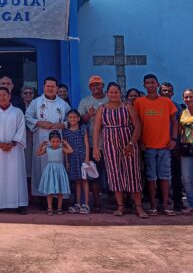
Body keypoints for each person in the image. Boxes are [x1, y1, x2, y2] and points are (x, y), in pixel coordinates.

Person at [93, 82, 148, 218]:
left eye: (116, 92)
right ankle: (120, 206)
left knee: (133, 173)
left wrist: (131, 143)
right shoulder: (102, 109)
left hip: (128, 144)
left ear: (120, 93)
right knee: (115, 174)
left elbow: (137, 126)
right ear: (107, 94)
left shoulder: (127, 107)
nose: (113, 94)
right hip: (110, 145)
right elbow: (96, 129)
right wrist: (95, 147)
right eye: (111, 92)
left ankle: (139, 207)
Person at [134, 74, 179, 216]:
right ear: (144, 85)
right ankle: (153, 206)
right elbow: (136, 123)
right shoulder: (139, 102)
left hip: (165, 146)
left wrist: (174, 139)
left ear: (157, 84)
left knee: (165, 176)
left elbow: (174, 122)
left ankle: (165, 205)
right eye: (147, 83)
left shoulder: (166, 102)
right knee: (151, 177)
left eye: (153, 82)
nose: (150, 85)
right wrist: (140, 141)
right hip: (147, 146)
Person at [25, 77, 70, 205]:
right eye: (48, 86)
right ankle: (43, 200)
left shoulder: (63, 104)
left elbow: (72, 119)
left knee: (57, 169)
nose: (50, 88)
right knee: (41, 169)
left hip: (58, 144)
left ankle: (59, 200)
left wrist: (63, 125)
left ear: (56, 88)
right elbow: (27, 117)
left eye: (52, 86)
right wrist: (39, 122)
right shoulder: (36, 102)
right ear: (43, 87)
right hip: (41, 141)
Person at [0, 87, 28, 214]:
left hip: (14, 150)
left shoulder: (17, 112)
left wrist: (13, 142)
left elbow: (21, 129)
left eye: (5, 95)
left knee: (16, 175)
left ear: (10, 96)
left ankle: (20, 204)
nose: (2, 97)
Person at [77, 75, 109, 212]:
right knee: (94, 174)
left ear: (103, 85)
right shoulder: (85, 102)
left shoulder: (110, 99)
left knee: (112, 173)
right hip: (91, 144)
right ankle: (96, 202)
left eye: (98, 84)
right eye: (92, 85)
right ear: (89, 88)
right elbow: (77, 121)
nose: (96, 87)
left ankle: (120, 202)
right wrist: (88, 115)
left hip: (110, 143)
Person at [159, 82, 185, 212]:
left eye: (168, 91)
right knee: (159, 176)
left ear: (172, 93)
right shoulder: (156, 105)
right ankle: (161, 202)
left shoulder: (176, 107)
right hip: (158, 145)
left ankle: (178, 201)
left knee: (176, 174)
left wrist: (177, 142)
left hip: (173, 145)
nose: (166, 93)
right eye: (163, 91)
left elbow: (180, 125)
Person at [36, 130, 72, 215]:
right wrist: (41, 145)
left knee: (60, 191)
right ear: (49, 141)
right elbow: (38, 153)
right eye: (53, 141)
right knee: (50, 191)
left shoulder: (61, 148)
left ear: (60, 141)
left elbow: (70, 151)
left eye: (57, 141)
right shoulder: (47, 148)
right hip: (50, 169)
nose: (55, 143)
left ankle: (59, 208)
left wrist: (65, 143)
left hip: (59, 169)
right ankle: (50, 207)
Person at [64, 109, 90, 214]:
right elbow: (65, 149)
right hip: (72, 158)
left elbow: (87, 144)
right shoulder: (65, 132)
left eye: (75, 117)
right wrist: (67, 162)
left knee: (85, 180)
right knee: (77, 181)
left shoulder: (82, 129)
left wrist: (87, 158)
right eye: (70, 117)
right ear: (67, 119)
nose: (72, 119)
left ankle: (86, 204)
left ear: (78, 118)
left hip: (82, 156)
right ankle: (78, 204)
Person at [21, 86, 35, 192]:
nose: (28, 95)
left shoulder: (37, 107)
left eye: (30, 93)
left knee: (33, 164)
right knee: (24, 164)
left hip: (34, 137)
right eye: (26, 93)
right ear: (22, 95)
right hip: (22, 138)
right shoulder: (18, 107)